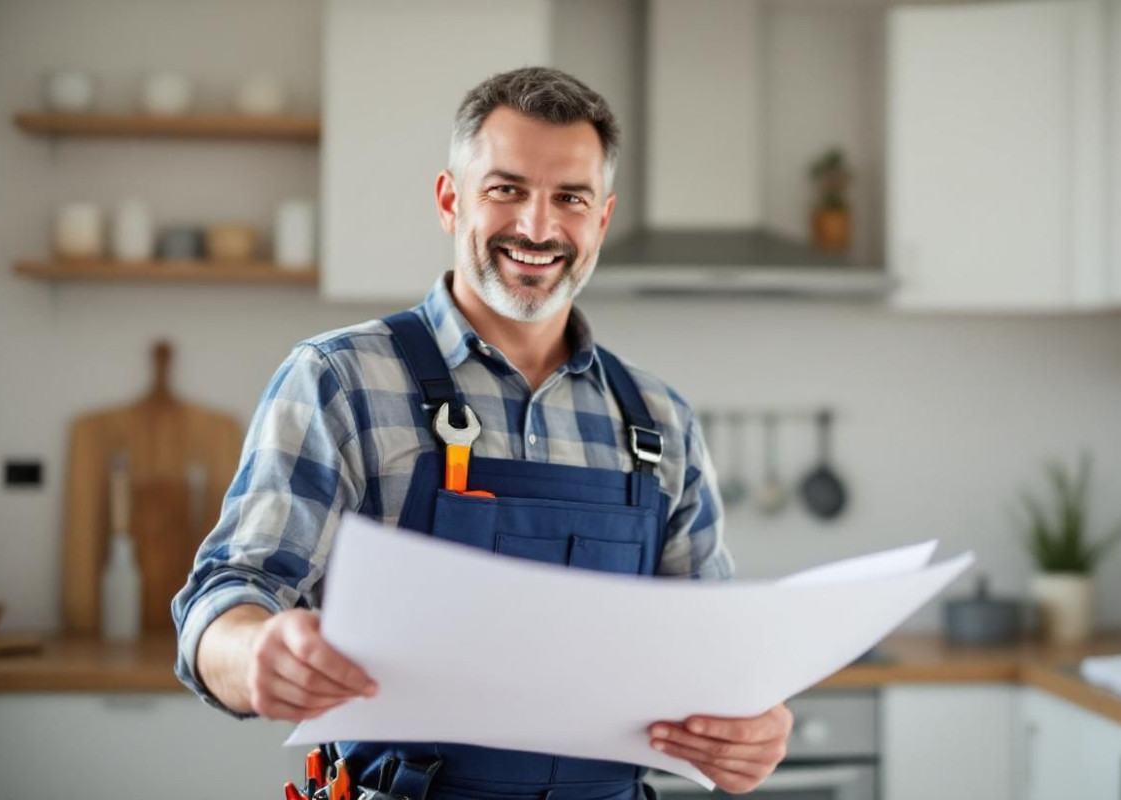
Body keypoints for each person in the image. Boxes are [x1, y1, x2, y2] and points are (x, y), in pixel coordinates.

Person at [171, 66, 792, 799]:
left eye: (570, 198)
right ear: (449, 199)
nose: (537, 227)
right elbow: (229, 592)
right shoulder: (339, 379)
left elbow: (708, 656)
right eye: (507, 190)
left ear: (603, 218)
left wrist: (753, 728)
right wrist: (253, 656)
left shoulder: (660, 421)